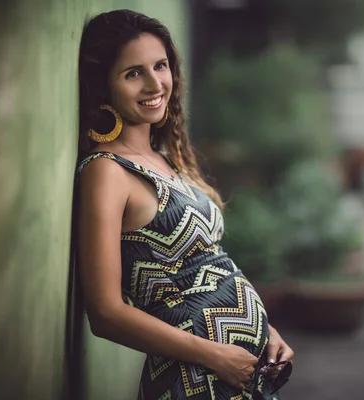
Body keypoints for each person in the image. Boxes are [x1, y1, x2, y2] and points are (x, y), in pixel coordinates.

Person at [75, 9, 294, 400]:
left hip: (241, 370)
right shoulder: (107, 171)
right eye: (133, 73)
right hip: (193, 378)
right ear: (103, 85)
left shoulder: (166, 159)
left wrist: (268, 334)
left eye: (160, 66)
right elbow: (105, 313)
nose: (154, 83)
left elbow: (212, 264)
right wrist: (215, 355)